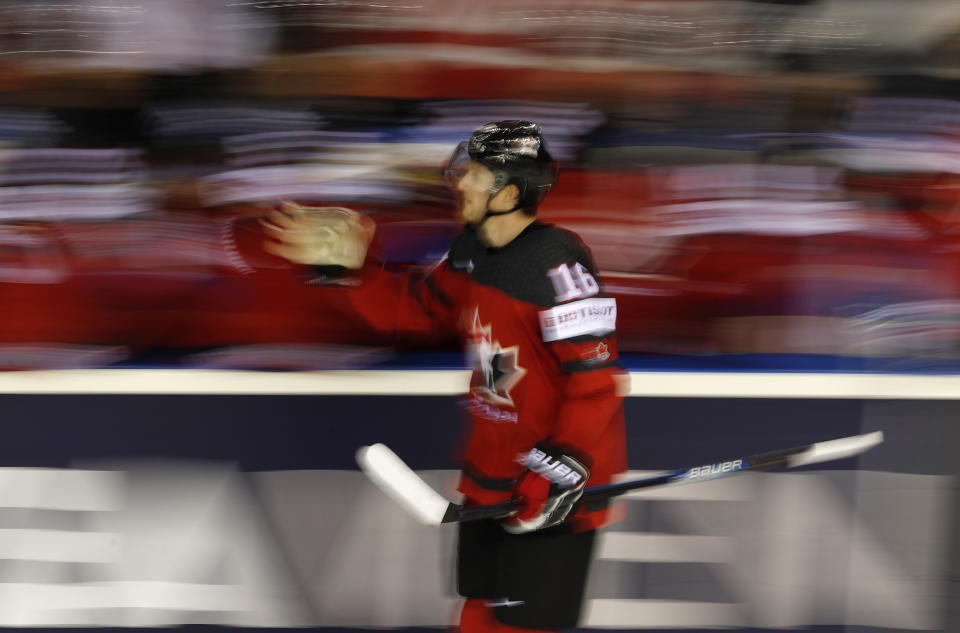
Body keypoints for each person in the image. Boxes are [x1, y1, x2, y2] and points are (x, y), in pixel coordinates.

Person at [263, 120, 628, 632]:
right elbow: (416, 311)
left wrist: (564, 466)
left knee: (528, 627)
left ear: (509, 188)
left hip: (555, 491)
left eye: (475, 174)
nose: (459, 182)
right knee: (478, 613)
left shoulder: (558, 263)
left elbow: (596, 381)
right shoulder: (471, 251)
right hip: (490, 478)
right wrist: (348, 271)